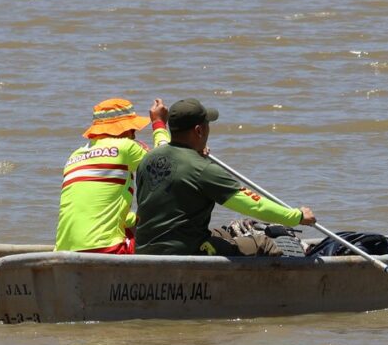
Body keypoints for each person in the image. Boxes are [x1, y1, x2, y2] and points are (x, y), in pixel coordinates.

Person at [135, 98, 316, 256]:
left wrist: (158, 123)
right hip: (187, 251)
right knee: (263, 243)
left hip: (143, 248)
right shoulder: (203, 169)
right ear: (199, 130)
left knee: (225, 233)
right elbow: (254, 205)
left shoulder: (148, 158)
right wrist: (296, 216)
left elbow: (162, 142)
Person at [54, 97, 170, 254]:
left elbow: (101, 209)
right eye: (133, 130)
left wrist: (136, 220)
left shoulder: (75, 155)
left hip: (63, 250)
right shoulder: (125, 147)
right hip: (106, 250)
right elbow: (168, 161)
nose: (134, 136)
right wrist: (159, 123)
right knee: (171, 236)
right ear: (123, 129)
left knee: (135, 225)